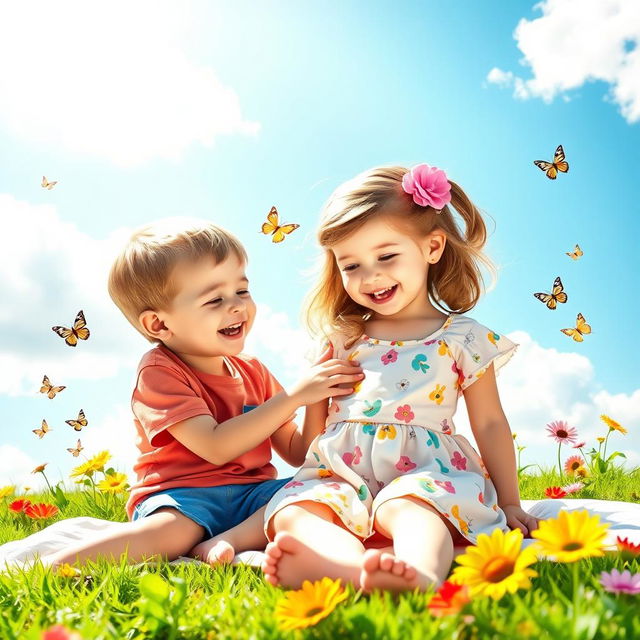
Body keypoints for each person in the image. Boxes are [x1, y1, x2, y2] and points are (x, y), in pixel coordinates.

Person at [261, 164, 541, 593]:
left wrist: (509, 501)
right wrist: (308, 399)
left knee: (413, 507)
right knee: (296, 510)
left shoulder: (463, 337)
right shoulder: (341, 339)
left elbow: (489, 423)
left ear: (432, 247)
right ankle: (347, 567)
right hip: (342, 477)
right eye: (350, 264)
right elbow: (310, 443)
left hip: (425, 473)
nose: (369, 276)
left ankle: (419, 574)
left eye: (386, 256)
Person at [43, 218, 363, 569]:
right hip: (182, 497)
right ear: (160, 324)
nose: (237, 306)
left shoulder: (252, 369)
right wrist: (294, 397)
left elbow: (298, 451)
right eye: (215, 299)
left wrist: (317, 395)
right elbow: (215, 446)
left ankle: (226, 541)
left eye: (242, 291)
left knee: (317, 494)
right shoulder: (159, 371)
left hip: (253, 496)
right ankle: (53, 565)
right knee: (173, 534)